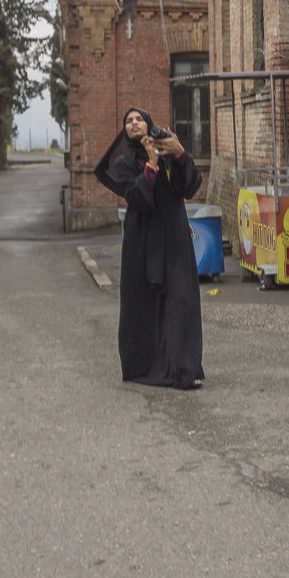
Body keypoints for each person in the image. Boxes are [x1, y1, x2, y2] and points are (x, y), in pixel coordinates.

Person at [94, 107, 204, 391]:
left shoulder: (170, 152)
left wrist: (179, 153)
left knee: (181, 297)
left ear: (149, 125)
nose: (134, 123)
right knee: (143, 301)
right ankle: (144, 365)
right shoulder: (124, 162)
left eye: (139, 119)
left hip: (174, 233)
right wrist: (151, 164)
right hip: (142, 238)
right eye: (129, 120)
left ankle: (182, 369)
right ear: (125, 129)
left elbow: (189, 186)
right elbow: (138, 197)